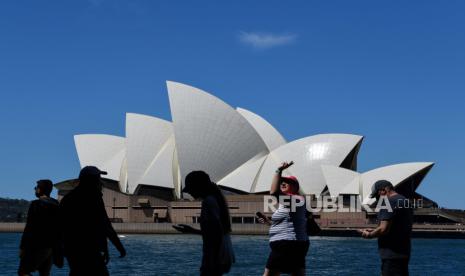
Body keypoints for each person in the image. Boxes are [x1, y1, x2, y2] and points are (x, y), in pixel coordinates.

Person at [59, 166, 126, 275]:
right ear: (91, 180)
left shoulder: (68, 198)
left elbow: (60, 226)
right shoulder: (93, 197)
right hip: (89, 249)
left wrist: (59, 250)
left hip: (72, 250)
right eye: (98, 178)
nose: (100, 181)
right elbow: (105, 225)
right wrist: (118, 246)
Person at [173, 171, 235, 276]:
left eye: (191, 189)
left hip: (214, 256)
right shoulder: (216, 199)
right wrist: (191, 231)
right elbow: (215, 232)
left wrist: (211, 260)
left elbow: (216, 234)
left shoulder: (209, 201)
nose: (190, 193)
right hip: (220, 255)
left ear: (198, 187)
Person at [257, 161, 309, 276]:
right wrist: (269, 222)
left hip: (287, 244)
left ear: (296, 187)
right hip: (295, 244)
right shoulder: (287, 203)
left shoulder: (296, 199)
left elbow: (274, 193)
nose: (283, 183)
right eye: (282, 181)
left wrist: (278, 170)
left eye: (288, 182)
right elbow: (289, 223)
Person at [359, 180, 413, 276]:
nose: (377, 199)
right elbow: (396, 226)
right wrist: (376, 230)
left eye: (377, 195)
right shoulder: (405, 201)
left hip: (391, 254)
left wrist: (369, 235)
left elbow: (383, 229)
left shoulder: (387, 202)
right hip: (404, 253)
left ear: (383, 190)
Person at [18, 179, 61, 276]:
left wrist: (22, 248)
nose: (35, 190)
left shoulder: (36, 204)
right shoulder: (57, 205)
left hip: (37, 246)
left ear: (40, 190)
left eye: (36, 188)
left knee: (23, 272)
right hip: (51, 247)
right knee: (44, 273)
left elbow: (29, 227)